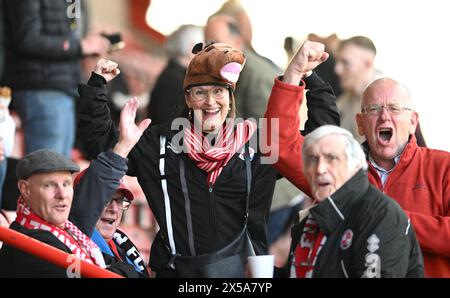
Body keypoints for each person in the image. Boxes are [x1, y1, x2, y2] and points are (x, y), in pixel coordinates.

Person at [76, 40, 339, 277]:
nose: (210, 102)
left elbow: (320, 142)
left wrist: (312, 80)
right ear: (188, 99)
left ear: (229, 97)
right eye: (199, 92)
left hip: (244, 277)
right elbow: (100, 142)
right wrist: (97, 85)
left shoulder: (257, 142)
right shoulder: (159, 143)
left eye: (218, 92)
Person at [264, 68, 450, 277]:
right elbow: (276, 147)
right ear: (360, 124)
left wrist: (386, 219)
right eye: (374, 109)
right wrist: (294, 73)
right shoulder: (338, 169)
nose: (384, 116)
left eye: (395, 108)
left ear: (413, 122)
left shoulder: (443, 165)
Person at [285, 125, 423, 277]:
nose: (320, 169)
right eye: (313, 159)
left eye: (331, 158)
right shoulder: (311, 219)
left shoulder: (380, 215)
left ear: (355, 166)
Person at [2, 0, 110, 158]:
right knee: (46, 168)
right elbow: (28, 39)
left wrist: (88, 45)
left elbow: (70, 32)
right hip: (41, 86)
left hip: (64, 86)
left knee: (58, 166)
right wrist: (80, 46)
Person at [0, 149, 106, 277]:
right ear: (25, 189)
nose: (62, 195)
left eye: (66, 184)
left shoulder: (67, 229)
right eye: (50, 185)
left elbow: (114, 263)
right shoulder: (28, 244)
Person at [147, 24, 204, 126]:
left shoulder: (175, 74)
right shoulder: (175, 79)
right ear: (192, 47)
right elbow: (168, 122)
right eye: (202, 46)